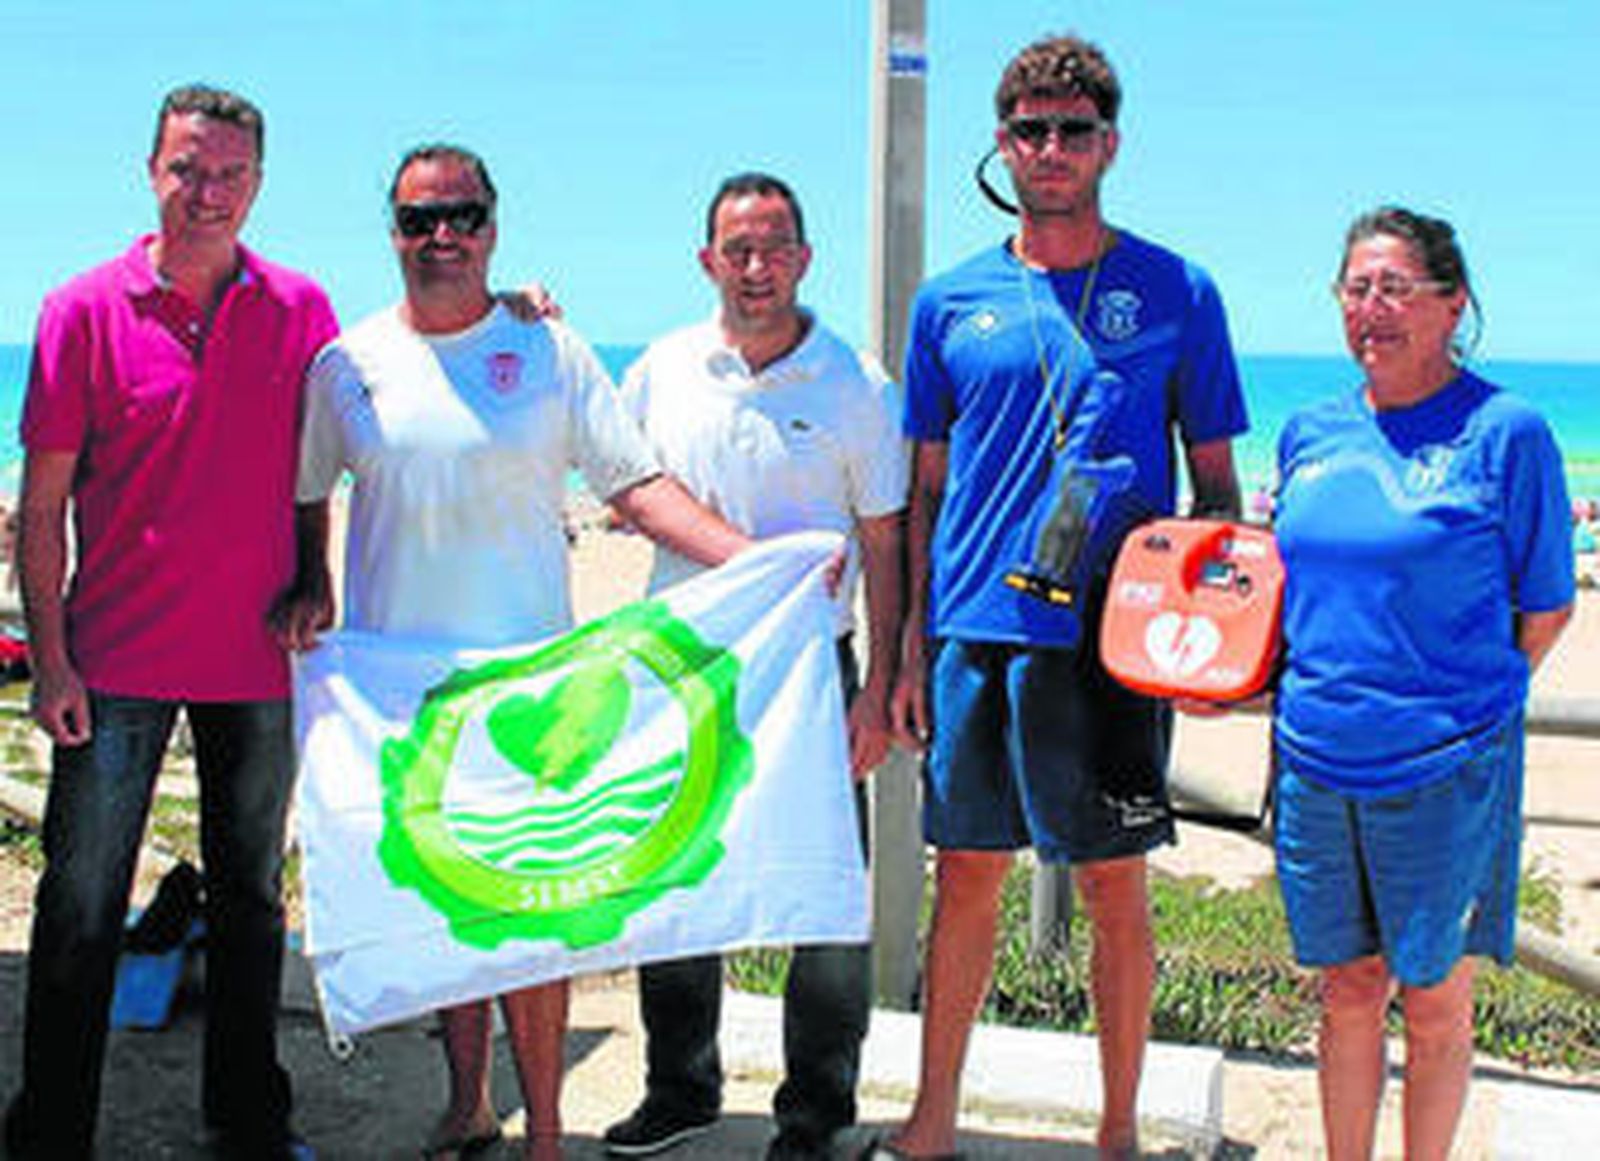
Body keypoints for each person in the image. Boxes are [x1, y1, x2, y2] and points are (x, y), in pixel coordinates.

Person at [269, 144, 752, 1161]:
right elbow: (309, 491)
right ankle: (467, 1106)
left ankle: (545, 1127)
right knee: (452, 908)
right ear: (391, 231)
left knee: (537, 911)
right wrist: (313, 580)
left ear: (493, 227)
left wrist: (757, 560)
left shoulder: (550, 351)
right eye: (417, 219)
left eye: (462, 216)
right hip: (406, 695)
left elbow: (635, 485)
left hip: (539, 682)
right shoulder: (342, 365)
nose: (440, 236)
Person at [878, 34, 1247, 1160]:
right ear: (1002, 142)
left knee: (1113, 893)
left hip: (1113, 641)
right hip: (976, 633)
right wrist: (901, 652)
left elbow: (1218, 486)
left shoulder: (1177, 289)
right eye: (1030, 129)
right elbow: (925, 494)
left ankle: (1119, 1132)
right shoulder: (949, 302)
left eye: (1071, 129)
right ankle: (932, 1120)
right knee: (968, 884)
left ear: (1108, 144)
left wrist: (1223, 641)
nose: (1050, 148)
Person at [3, 85, 335, 1161]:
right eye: (189, 169)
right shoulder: (79, 310)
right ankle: (51, 1131)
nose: (209, 193)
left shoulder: (300, 309)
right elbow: (40, 506)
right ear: (152, 171)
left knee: (250, 902)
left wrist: (315, 574)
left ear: (260, 185)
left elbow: (323, 465)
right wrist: (50, 658)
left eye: (231, 174)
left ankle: (247, 1121)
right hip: (114, 660)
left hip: (257, 658)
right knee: (83, 902)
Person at [600, 173, 907, 1161]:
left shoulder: (856, 384)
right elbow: (617, 489)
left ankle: (816, 1113)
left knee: (825, 906)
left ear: (806, 258)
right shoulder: (660, 369)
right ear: (706, 262)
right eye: (737, 248)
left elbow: (886, 541)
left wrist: (878, 683)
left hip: (815, 675)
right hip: (681, 667)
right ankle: (678, 1087)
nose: (756, 266)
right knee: (678, 884)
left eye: (774, 246)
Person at [1271, 207, 1574, 1160]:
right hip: (1314, 760)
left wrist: (1458, 704)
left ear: (1455, 304)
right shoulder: (1307, 432)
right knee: (1347, 987)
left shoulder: (1508, 432)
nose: (1374, 308)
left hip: (1445, 766)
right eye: (1356, 289)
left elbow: (1547, 606)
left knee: (1435, 996)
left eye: (1396, 287)